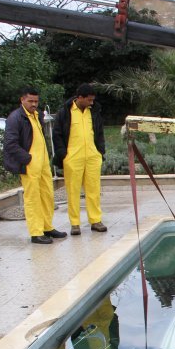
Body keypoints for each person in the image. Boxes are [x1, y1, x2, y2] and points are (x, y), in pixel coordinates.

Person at [2, 87, 66, 244]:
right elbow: (10, 143)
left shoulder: (36, 115)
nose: (34, 104)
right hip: (30, 163)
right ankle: (36, 232)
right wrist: (27, 159)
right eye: (30, 101)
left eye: (36, 101)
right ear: (22, 100)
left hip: (43, 163)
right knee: (33, 198)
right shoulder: (15, 118)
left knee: (47, 196)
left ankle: (47, 227)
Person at [52, 84, 107, 236]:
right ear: (80, 98)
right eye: (89, 100)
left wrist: (100, 152)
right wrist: (64, 155)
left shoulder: (94, 111)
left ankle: (96, 220)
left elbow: (100, 132)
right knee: (73, 191)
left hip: (92, 156)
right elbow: (56, 134)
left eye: (93, 100)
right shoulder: (65, 112)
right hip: (72, 157)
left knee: (94, 190)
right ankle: (75, 223)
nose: (91, 102)